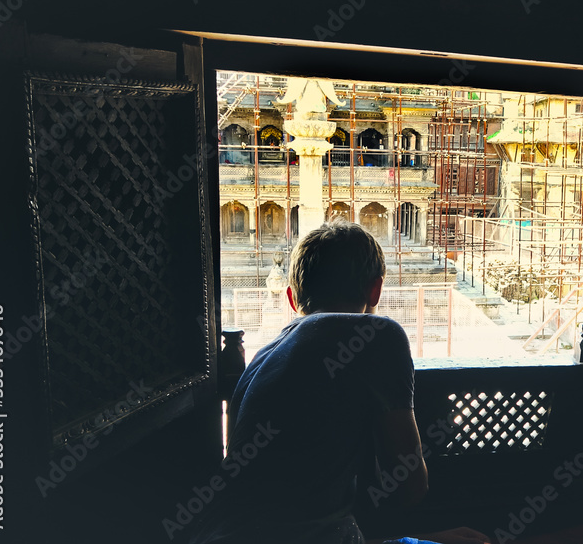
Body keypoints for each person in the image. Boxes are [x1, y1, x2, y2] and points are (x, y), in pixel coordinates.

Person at [190, 221, 490, 544]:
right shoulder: (377, 335)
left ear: (292, 298)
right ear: (375, 289)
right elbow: (410, 488)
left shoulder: (262, 357)